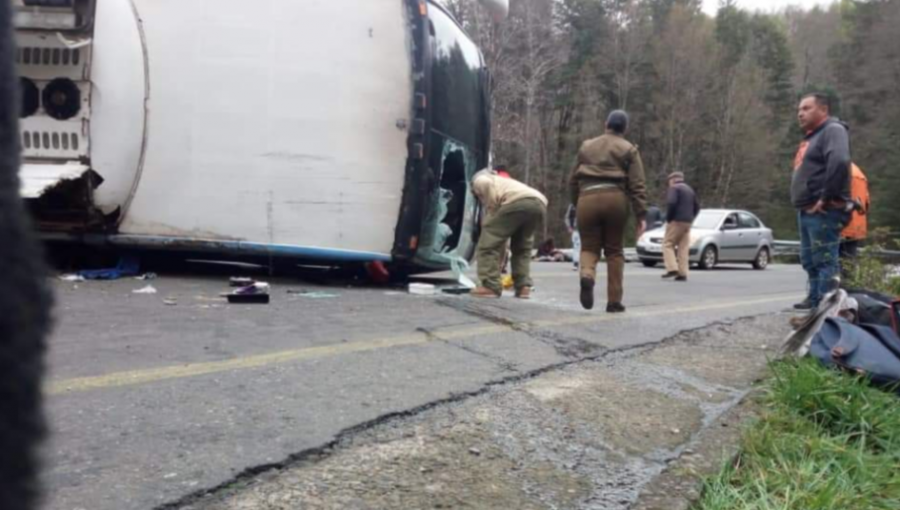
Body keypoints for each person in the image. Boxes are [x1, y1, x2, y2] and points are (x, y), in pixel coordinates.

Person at [569, 110, 647, 313]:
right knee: (614, 251)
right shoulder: (629, 149)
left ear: (606, 124)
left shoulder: (586, 146)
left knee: (588, 248)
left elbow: (572, 180)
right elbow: (637, 185)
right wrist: (641, 214)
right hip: (615, 199)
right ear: (625, 128)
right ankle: (614, 301)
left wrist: (577, 203)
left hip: (587, 197)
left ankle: (587, 275)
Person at [791, 93, 852, 311]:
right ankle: (815, 299)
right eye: (799, 109)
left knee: (825, 259)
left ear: (823, 110)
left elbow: (840, 161)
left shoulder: (833, 130)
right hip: (807, 210)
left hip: (825, 210)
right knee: (809, 259)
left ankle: (826, 307)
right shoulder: (812, 137)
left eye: (807, 108)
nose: (800, 113)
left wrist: (825, 197)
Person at [470, 170, 548, 299]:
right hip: (539, 203)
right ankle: (523, 286)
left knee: (488, 243)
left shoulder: (480, 180)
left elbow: (486, 187)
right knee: (522, 248)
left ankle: (490, 286)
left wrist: (490, 217)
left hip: (518, 202)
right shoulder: (505, 182)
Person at [661, 172, 700, 282]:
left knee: (667, 244)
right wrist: (691, 218)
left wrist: (669, 218)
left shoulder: (674, 188)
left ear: (672, 180)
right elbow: (697, 207)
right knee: (683, 247)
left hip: (676, 221)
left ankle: (672, 268)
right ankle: (683, 273)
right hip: (688, 222)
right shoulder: (690, 190)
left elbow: (671, 203)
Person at [839, 163, 870, 279]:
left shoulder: (840, 171)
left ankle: (839, 290)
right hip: (857, 225)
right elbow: (866, 202)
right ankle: (850, 287)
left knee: (834, 262)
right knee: (849, 260)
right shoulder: (859, 173)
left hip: (842, 224)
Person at [565, 204, 580, 270]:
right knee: (576, 246)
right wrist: (569, 227)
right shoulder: (572, 205)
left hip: (587, 229)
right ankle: (576, 263)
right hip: (576, 229)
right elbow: (567, 217)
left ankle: (587, 264)